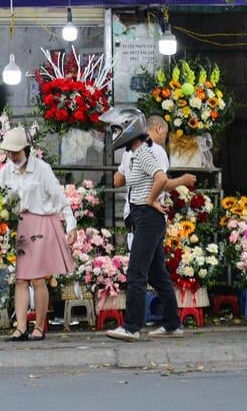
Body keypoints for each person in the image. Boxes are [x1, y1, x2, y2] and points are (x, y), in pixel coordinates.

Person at [100, 108, 192, 342]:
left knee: (136, 273)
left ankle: (131, 327)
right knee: (157, 274)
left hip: (147, 218)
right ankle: (172, 324)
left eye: (118, 129)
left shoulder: (143, 152)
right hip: (143, 217)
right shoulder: (135, 152)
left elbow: (161, 178)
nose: (116, 134)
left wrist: (151, 200)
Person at [0, 126, 77, 342]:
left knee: (38, 279)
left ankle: (39, 326)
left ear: (26, 149)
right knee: (20, 279)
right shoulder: (5, 171)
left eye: (15, 152)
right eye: (9, 152)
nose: (11, 156)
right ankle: (20, 327)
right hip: (19, 226)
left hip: (41, 224)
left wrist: (70, 224)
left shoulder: (42, 169)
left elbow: (59, 198)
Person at [114, 114, 195, 248]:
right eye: (166, 133)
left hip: (131, 211)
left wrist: (133, 177)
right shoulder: (156, 150)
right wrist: (183, 180)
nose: (165, 137)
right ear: (159, 128)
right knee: (139, 266)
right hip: (149, 212)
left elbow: (117, 181)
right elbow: (162, 182)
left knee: (151, 265)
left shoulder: (129, 151)